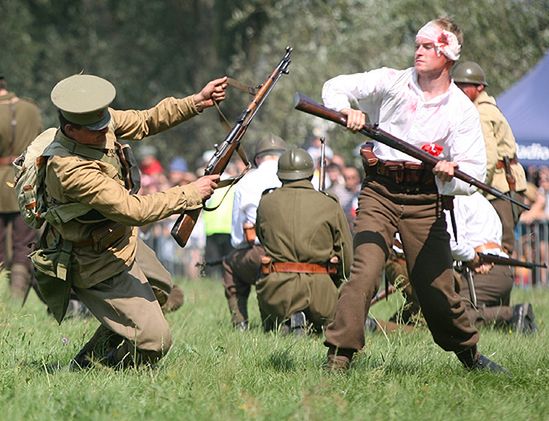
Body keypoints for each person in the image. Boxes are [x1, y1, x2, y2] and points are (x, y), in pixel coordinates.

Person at [321, 17, 506, 372]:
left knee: (437, 288)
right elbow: (334, 86)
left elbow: (474, 174)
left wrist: (450, 173)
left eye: (428, 47)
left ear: (448, 54)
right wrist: (347, 110)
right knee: (365, 271)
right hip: (381, 191)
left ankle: (470, 356)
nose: (418, 52)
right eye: (418, 45)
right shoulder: (392, 80)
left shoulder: (461, 110)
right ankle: (338, 357)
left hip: (425, 199)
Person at [32, 73, 225, 368]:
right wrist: (189, 193)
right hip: (94, 260)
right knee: (156, 342)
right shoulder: (69, 169)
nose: (105, 131)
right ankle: (98, 370)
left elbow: (145, 121)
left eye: (104, 123)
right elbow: (132, 210)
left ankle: (89, 358)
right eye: (95, 129)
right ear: (71, 129)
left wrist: (195, 102)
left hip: (122, 241)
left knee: (168, 294)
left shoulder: (97, 123)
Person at [379, 193, 537, 333]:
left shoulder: (457, 200)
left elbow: (454, 244)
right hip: (496, 272)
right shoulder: (476, 198)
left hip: (483, 271)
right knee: (433, 310)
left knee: (447, 316)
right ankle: (389, 325)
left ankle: (513, 314)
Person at [256, 148, 352, 333]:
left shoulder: (266, 202)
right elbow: (345, 253)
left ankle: (287, 320)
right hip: (321, 291)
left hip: (277, 290)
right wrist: (336, 279)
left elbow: (263, 239)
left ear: (280, 175)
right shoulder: (329, 203)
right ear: (310, 174)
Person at [453, 61, 527, 254]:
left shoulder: (481, 112)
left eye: (464, 85)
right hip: (498, 186)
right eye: (457, 85)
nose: (459, 90)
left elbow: (487, 157)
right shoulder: (480, 108)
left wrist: (473, 188)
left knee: (499, 247)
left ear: (480, 87)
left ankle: (496, 284)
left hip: (499, 187)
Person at [221, 134, 287, 329]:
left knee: (229, 264)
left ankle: (240, 323)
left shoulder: (246, 182)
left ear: (258, 159)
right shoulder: (305, 179)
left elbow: (237, 239)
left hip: (263, 253)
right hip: (304, 252)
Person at [0, 75, 42, 299]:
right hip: (25, 182)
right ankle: (16, 300)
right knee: (23, 243)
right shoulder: (31, 109)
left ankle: (6, 303)